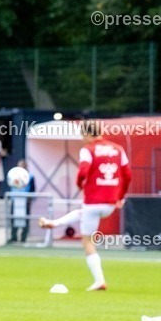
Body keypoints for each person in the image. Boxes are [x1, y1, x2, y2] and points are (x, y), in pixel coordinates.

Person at [39, 121, 132, 290]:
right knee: (84, 213)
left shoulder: (88, 150)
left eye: (83, 135)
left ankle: (99, 280)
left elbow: (83, 171)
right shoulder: (118, 149)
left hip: (94, 199)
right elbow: (127, 174)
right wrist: (120, 196)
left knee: (87, 240)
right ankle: (53, 223)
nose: (82, 139)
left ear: (89, 134)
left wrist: (80, 184)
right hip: (111, 202)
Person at [8, 159, 36, 243]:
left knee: (25, 219)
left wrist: (29, 199)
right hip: (15, 200)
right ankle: (13, 236)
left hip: (25, 200)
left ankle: (23, 237)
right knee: (13, 218)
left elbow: (32, 189)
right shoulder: (13, 175)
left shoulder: (30, 176)